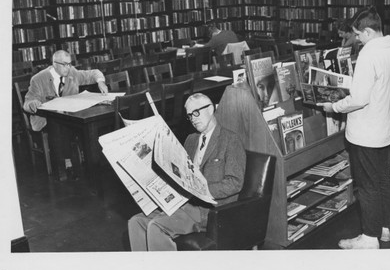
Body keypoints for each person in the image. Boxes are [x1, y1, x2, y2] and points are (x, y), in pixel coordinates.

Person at [318, 6, 390, 249]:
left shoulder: (369, 54)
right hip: (385, 130)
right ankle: (382, 228)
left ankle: (369, 238)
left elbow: (358, 99)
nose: (356, 38)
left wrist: (333, 107)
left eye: (358, 34)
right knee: (381, 181)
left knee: (366, 186)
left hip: (366, 133)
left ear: (368, 31)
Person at [128, 93, 246, 251]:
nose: (193, 118)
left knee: (156, 226)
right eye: (190, 115)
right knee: (135, 222)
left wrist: (202, 190)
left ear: (211, 109)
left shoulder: (230, 140)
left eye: (196, 112)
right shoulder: (191, 140)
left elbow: (235, 183)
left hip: (209, 211)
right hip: (183, 204)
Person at [23, 50, 108, 180]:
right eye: (65, 64)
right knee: (59, 125)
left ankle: (90, 162)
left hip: (70, 116)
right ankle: (66, 165)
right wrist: (33, 103)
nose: (68, 68)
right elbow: (27, 103)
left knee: (86, 122)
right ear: (54, 64)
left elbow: (94, 73)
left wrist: (100, 81)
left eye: (70, 64)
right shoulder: (38, 79)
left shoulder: (71, 72)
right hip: (46, 119)